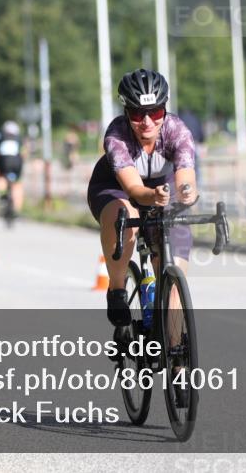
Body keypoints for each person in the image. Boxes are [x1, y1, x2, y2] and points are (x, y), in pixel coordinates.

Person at [86, 69, 197, 326]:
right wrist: (153, 196)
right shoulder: (117, 135)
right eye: (137, 114)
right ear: (126, 112)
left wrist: (186, 191)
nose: (147, 122)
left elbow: (185, 177)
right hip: (116, 188)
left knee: (173, 260)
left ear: (164, 110)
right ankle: (117, 289)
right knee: (125, 216)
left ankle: (172, 340)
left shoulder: (177, 131)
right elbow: (135, 190)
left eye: (155, 113)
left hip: (162, 190)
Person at [0, 121, 25, 212]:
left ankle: (3, 196)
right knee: (17, 184)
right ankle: (17, 208)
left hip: (4, 162)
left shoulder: (1, 138)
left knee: (1, 178)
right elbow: (23, 154)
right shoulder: (19, 139)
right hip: (17, 163)